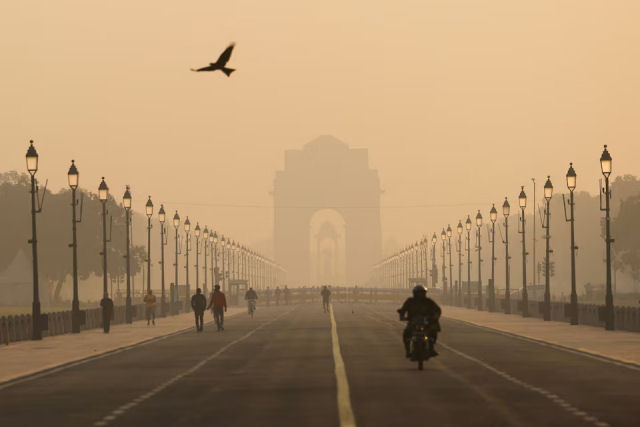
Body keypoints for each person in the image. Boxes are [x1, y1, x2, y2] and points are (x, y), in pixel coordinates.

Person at [397, 285, 441, 358]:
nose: (420, 295)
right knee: (406, 334)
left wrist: (435, 316)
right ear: (415, 293)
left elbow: (437, 309)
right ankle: (408, 351)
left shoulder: (428, 301)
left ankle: (431, 348)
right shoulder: (410, 301)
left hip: (426, 322)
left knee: (433, 331)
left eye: (421, 293)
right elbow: (403, 309)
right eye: (418, 293)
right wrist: (402, 316)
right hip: (413, 322)